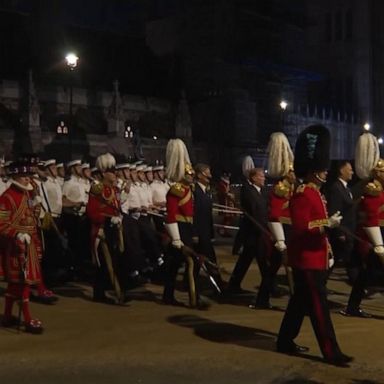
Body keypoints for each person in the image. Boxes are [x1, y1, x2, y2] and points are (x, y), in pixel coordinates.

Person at [276, 124, 353, 367]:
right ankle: (331, 352)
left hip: (314, 257)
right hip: (307, 260)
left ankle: (284, 341)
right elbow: (301, 227)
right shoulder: (302, 193)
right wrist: (326, 223)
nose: (325, 172)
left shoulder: (315, 193)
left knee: (299, 303)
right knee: (319, 309)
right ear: (313, 171)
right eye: (321, 169)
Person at [340, 132, 384, 317]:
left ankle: (352, 306)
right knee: (365, 274)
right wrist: (379, 245)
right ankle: (352, 306)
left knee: (365, 276)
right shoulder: (373, 191)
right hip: (374, 239)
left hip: (378, 237)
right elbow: (372, 219)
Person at [0, 161, 44, 333]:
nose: (28, 179)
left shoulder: (27, 195)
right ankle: (27, 319)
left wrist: (36, 201)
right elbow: (1, 223)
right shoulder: (6, 197)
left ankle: (7, 315)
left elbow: (32, 217)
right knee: (23, 283)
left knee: (15, 285)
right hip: (14, 246)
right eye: (25, 176)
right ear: (16, 177)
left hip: (29, 243)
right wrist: (16, 233)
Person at [162, 138, 202, 308]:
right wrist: (176, 238)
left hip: (186, 228)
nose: (192, 176)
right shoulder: (176, 190)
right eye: (189, 174)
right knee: (175, 264)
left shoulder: (187, 190)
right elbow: (171, 214)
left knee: (183, 263)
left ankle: (179, 294)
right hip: (177, 229)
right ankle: (177, 295)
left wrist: (193, 233)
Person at [227, 168, 274, 308]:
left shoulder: (261, 191)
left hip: (258, 232)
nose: (264, 179)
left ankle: (234, 284)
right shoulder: (248, 191)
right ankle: (269, 287)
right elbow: (256, 211)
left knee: (247, 260)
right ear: (253, 178)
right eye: (261, 176)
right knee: (262, 262)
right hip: (253, 232)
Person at [86, 153, 125, 304]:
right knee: (103, 263)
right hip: (101, 230)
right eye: (112, 171)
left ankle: (110, 290)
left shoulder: (114, 190)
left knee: (114, 261)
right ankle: (99, 293)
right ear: (103, 173)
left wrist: (118, 218)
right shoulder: (97, 189)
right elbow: (92, 211)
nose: (115, 174)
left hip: (113, 229)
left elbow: (117, 208)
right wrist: (108, 219)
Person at [193, 163, 225, 293]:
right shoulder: (195, 191)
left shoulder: (206, 190)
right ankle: (218, 284)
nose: (210, 176)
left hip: (206, 231)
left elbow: (207, 215)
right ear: (200, 175)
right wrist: (195, 233)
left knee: (198, 260)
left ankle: (189, 282)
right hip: (199, 232)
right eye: (207, 173)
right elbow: (195, 214)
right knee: (207, 258)